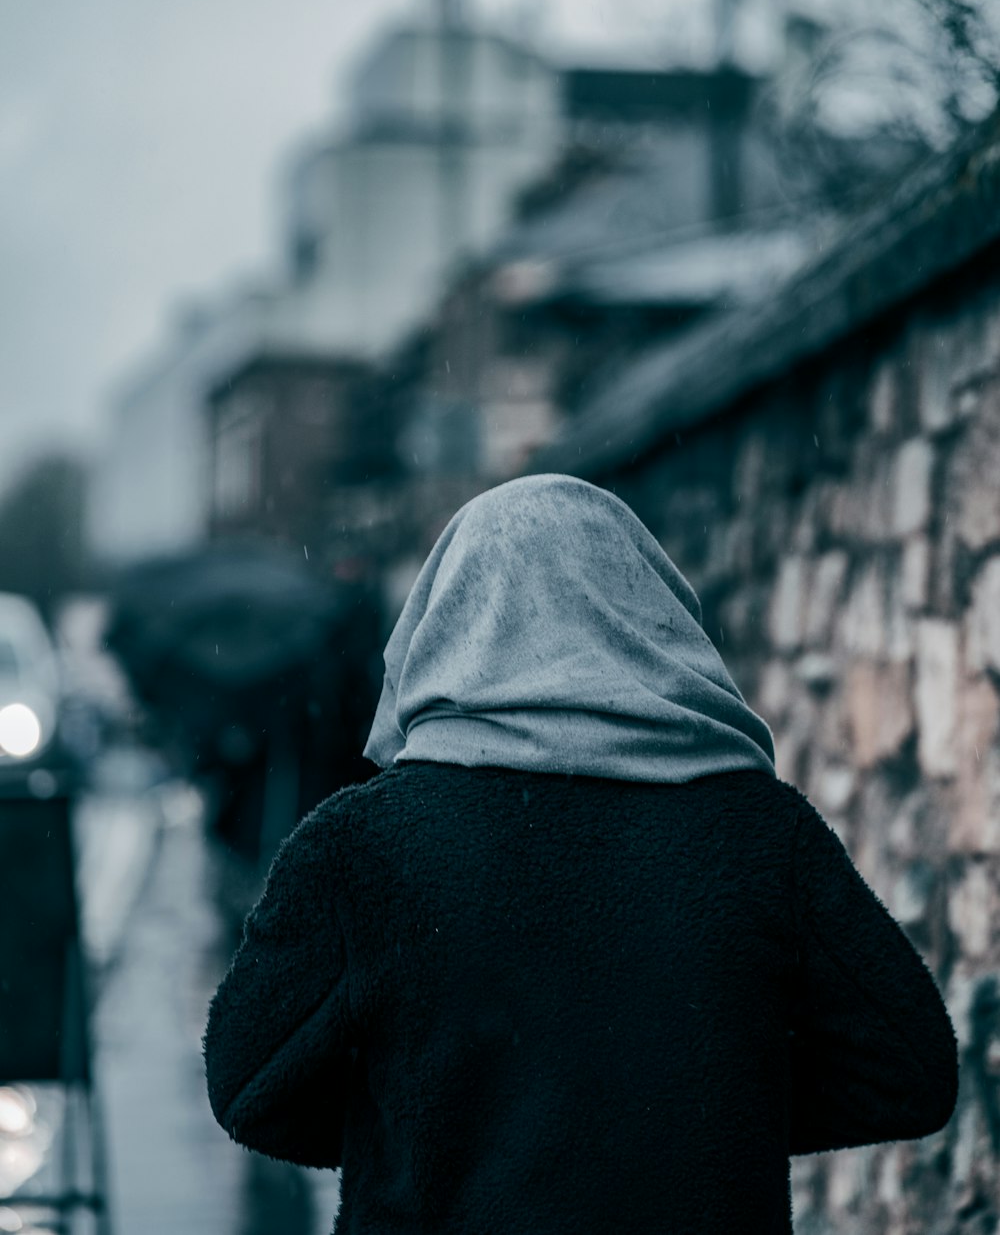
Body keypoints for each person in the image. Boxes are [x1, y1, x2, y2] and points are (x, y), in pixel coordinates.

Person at [204, 474, 958, 1234]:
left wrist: (426, 1125)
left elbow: (249, 1087)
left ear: (443, 620)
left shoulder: (363, 844)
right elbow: (907, 1071)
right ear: (651, 613)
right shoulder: (759, 832)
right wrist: (701, 1119)